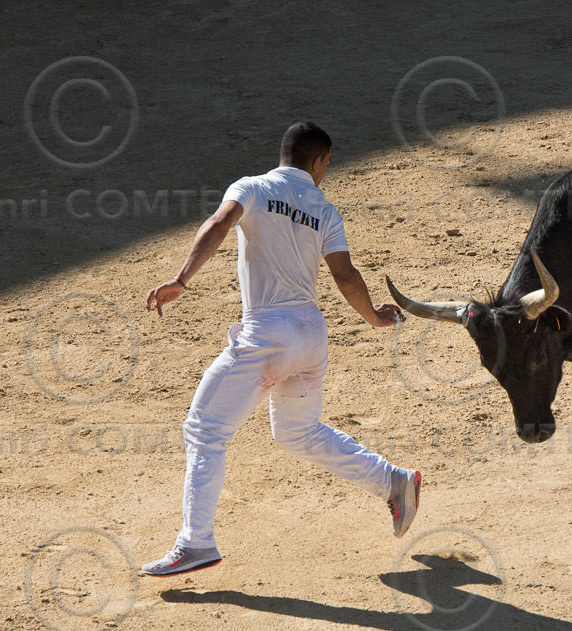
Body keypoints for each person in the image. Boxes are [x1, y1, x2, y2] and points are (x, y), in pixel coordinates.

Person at [140, 121, 422, 575]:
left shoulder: (251, 188)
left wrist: (181, 280)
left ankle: (196, 542)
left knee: (204, 429)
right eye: (328, 164)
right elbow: (345, 276)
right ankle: (393, 481)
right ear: (317, 162)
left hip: (267, 335)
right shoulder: (325, 210)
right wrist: (372, 316)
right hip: (311, 335)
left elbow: (218, 224)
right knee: (298, 433)